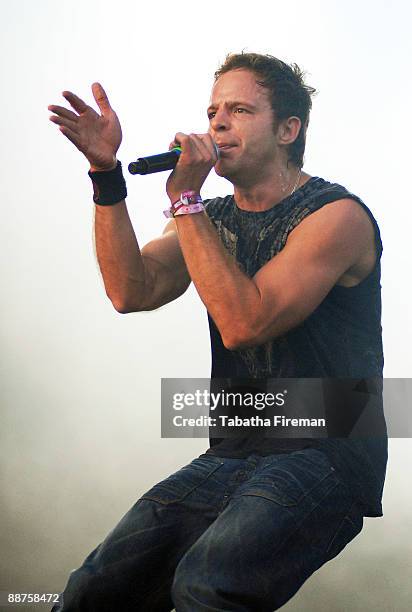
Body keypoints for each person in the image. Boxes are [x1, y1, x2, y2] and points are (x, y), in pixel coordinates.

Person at [48, 52, 387, 611]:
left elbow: (245, 323)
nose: (217, 123)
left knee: (207, 585)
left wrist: (185, 201)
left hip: (329, 447)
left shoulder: (336, 216)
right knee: (93, 590)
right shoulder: (211, 217)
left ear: (287, 130)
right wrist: (106, 176)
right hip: (235, 444)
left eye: (239, 110)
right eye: (212, 111)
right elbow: (131, 291)